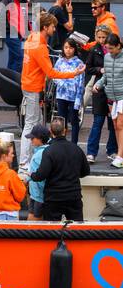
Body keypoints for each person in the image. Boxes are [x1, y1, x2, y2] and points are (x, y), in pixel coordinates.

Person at [18, 11, 84, 177]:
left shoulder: (31, 38)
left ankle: (37, 157)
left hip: (27, 83)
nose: (55, 29)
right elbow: (51, 72)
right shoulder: (40, 47)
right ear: (45, 27)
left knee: (38, 120)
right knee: (31, 123)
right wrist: (73, 74)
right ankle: (24, 164)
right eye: (53, 26)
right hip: (33, 87)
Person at [34, 115, 90, 221]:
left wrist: (32, 175)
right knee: (77, 231)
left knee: (52, 232)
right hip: (73, 196)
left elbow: (41, 175)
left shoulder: (49, 151)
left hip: (53, 198)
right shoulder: (76, 149)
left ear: (51, 131)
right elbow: (86, 171)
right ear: (65, 130)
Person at [86, 26, 118, 164]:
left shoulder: (115, 51)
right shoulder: (94, 50)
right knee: (97, 122)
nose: (101, 40)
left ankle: (111, 150)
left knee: (113, 123)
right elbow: (88, 68)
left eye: (103, 37)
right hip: (99, 91)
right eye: (98, 37)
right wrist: (100, 69)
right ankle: (91, 152)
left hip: (113, 91)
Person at [94, 32, 123, 170]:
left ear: (118, 46)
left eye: (111, 48)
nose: (109, 51)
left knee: (121, 125)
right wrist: (98, 85)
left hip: (122, 96)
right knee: (116, 126)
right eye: (108, 48)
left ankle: (120, 156)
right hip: (111, 96)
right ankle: (120, 154)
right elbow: (105, 78)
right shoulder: (107, 57)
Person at [0, 132, 27, 221]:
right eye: (11, 153)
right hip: (9, 217)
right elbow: (20, 195)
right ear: (4, 156)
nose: (13, 155)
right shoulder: (10, 174)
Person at [53, 37, 86, 145]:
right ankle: (61, 143)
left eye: (71, 48)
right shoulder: (59, 61)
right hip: (61, 96)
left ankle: (73, 144)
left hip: (73, 97)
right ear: (63, 48)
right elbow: (54, 75)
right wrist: (62, 83)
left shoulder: (79, 63)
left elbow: (81, 83)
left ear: (74, 49)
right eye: (66, 47)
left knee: (74, 120)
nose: (68, 50)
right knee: (62, 120)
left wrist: (78, 100)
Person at [5, 0, 31, 70]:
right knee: (20, 57)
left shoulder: (24, 2)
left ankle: (7, 81)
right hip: (10, 33)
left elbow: (25, 18)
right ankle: (17, 82)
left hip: (20, 35)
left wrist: (29, 31)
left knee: (13, 59)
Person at [27, 123, 50, 220]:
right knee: (32, 217)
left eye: (33, 138)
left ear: (40, 139)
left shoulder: (41, 154)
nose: (31, 140)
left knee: (35, 220)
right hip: (35, 194)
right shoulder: (42, 151)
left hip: (39, 195)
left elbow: (40, 174)